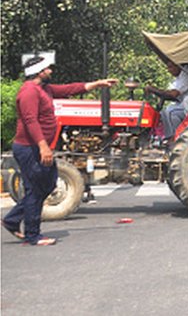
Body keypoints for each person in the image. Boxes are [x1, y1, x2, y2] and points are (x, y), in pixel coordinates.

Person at [3, 53, 117, 246]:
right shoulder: (29, 91)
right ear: (39, 71)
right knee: (36, 189)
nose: (51, 71)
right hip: (30, 148)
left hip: (37, 148)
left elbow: (68, 89)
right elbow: (31, 121)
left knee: (46, 185)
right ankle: (32, 234)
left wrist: (97, 84)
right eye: (47, 68)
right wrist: (43, 147)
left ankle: (13, 220)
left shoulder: (43, 88)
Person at [145, 60, 188, 140]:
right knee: (167, 112)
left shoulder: (187, 74)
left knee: (169, 111)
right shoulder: (179, 77)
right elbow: (168, 93)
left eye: (170, 67)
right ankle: (165, 137)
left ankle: (174, 138)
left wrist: (153, 89)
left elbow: (173, 94)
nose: (168, 70)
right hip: (187, 102)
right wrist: (156, 91)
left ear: (178, 66)